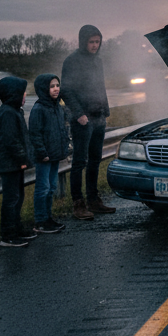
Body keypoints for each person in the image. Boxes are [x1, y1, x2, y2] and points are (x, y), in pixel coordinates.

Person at [61, 24, 116, 219]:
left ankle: (94, 200)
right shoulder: (72, 61)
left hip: (99, 116)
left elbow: (100, 87)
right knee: (79, 162)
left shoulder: (97, 61)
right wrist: (78, 114)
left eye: (97, 42)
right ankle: (78, 204)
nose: (94, 45)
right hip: (83, 120)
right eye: (91, 42)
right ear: (83, 41)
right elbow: (65, 90)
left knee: (95, 161)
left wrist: (105, 111)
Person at [0, 76, 37, 246]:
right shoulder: (8, 113)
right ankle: (8, 235)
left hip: (15, 163)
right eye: (23, 93)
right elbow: (11, 141)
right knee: (11, 199)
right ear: (14, 94)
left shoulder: (16, 111)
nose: (25, 96)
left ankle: (17, 229)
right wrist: (22, 159)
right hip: (10, 163)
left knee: (18, 197)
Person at [29, 74, 68, 233]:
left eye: (57, 85)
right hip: (44, 156)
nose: (56, 89)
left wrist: (64, 148)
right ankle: (40, 221)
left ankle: (48, 217)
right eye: (52, 86)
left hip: (55, 155)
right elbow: (35, 134)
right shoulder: (39, 108)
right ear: (44, 89)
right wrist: (42, 152)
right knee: (43, 188)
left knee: (52, 187)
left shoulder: (58, 106)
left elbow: (62, 129)